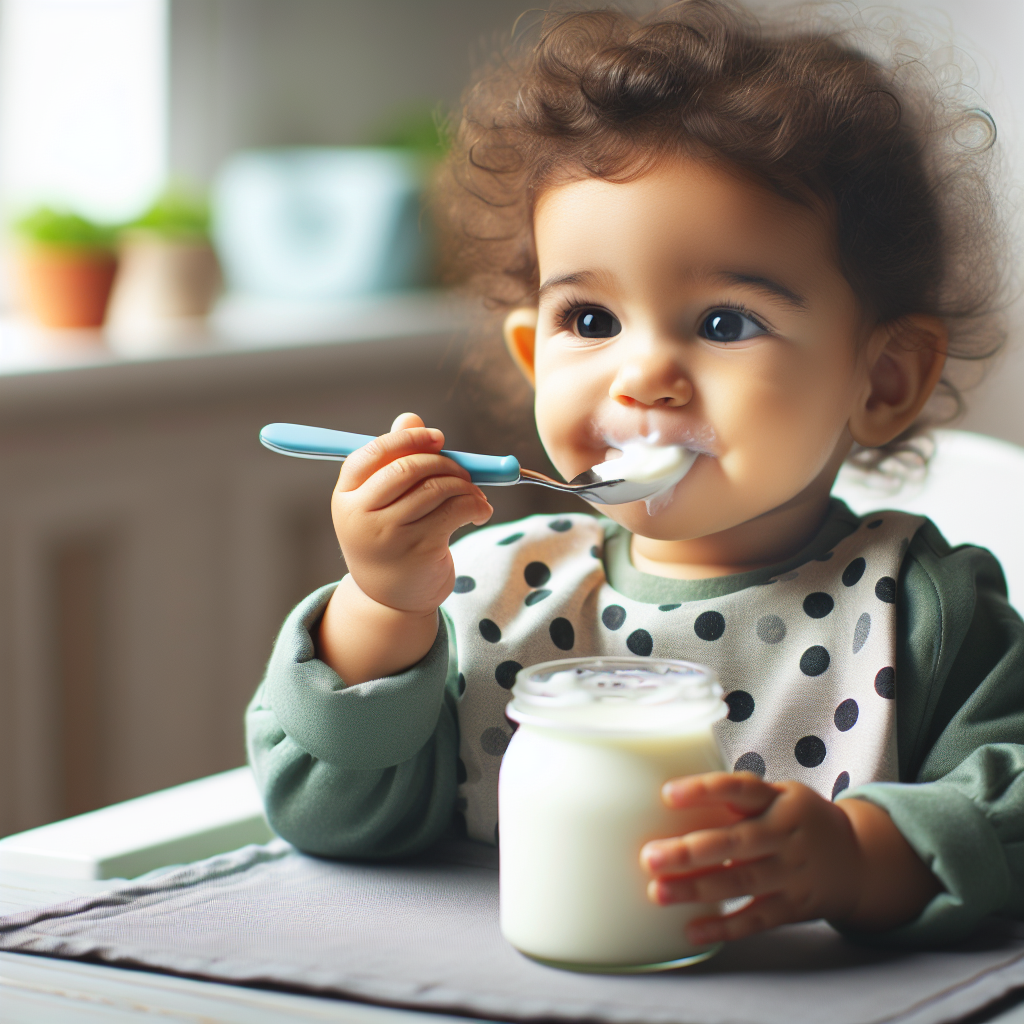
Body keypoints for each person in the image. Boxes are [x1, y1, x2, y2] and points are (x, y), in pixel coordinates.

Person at [247, 1, 1023, 947]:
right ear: (535, 355)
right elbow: (329, 820)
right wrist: (382, 609)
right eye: (591, 322)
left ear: (884, 377)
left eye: (725, 322)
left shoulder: (923, 611)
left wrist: (862, 855)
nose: (641, 374)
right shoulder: (491, 595)